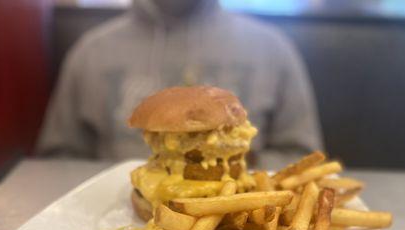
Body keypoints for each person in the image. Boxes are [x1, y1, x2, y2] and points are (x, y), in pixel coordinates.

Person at [38, 0, 323, 164]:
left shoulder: (272, 48)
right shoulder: (92, 51)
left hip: (237, 214)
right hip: (113, 221)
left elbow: (303, 155)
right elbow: (59, 158)